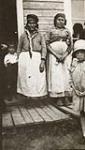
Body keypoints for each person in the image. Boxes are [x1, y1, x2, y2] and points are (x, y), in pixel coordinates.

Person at [17, 14, 47, 99]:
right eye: (30, 23)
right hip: (25, 57)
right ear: (27, 24)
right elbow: (19, 48)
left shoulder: (40, 35)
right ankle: (28, 99)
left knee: (38, 78)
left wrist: (43, 60)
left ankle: (38, 98)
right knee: (26, 78)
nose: (32, 25)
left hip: (37, 57)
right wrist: (18, 59)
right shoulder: (23, 35)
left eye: (33, 23)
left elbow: (44, 48)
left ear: (36, 24)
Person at [46, 13, 72, 106]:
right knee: (56, 75)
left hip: (65, 56)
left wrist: (64, 55)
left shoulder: (67, 31)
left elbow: (70, 46)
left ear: (65, 21)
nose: (60, 21)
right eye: (58, 19)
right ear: (55, 20)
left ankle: (66, 97)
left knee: (66, 74)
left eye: (62, 20)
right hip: (54, 55)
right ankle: (58, 98)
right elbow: (47, 44)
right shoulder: (50, 30)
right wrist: (56, 54)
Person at [71, 39, 85, 142]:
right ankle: (84, 133)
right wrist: (74, 89)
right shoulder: (74, 64)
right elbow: (71, 77)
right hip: (78, 93)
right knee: (82, 113)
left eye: (82, 52)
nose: (79, 55)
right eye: (77, 53)